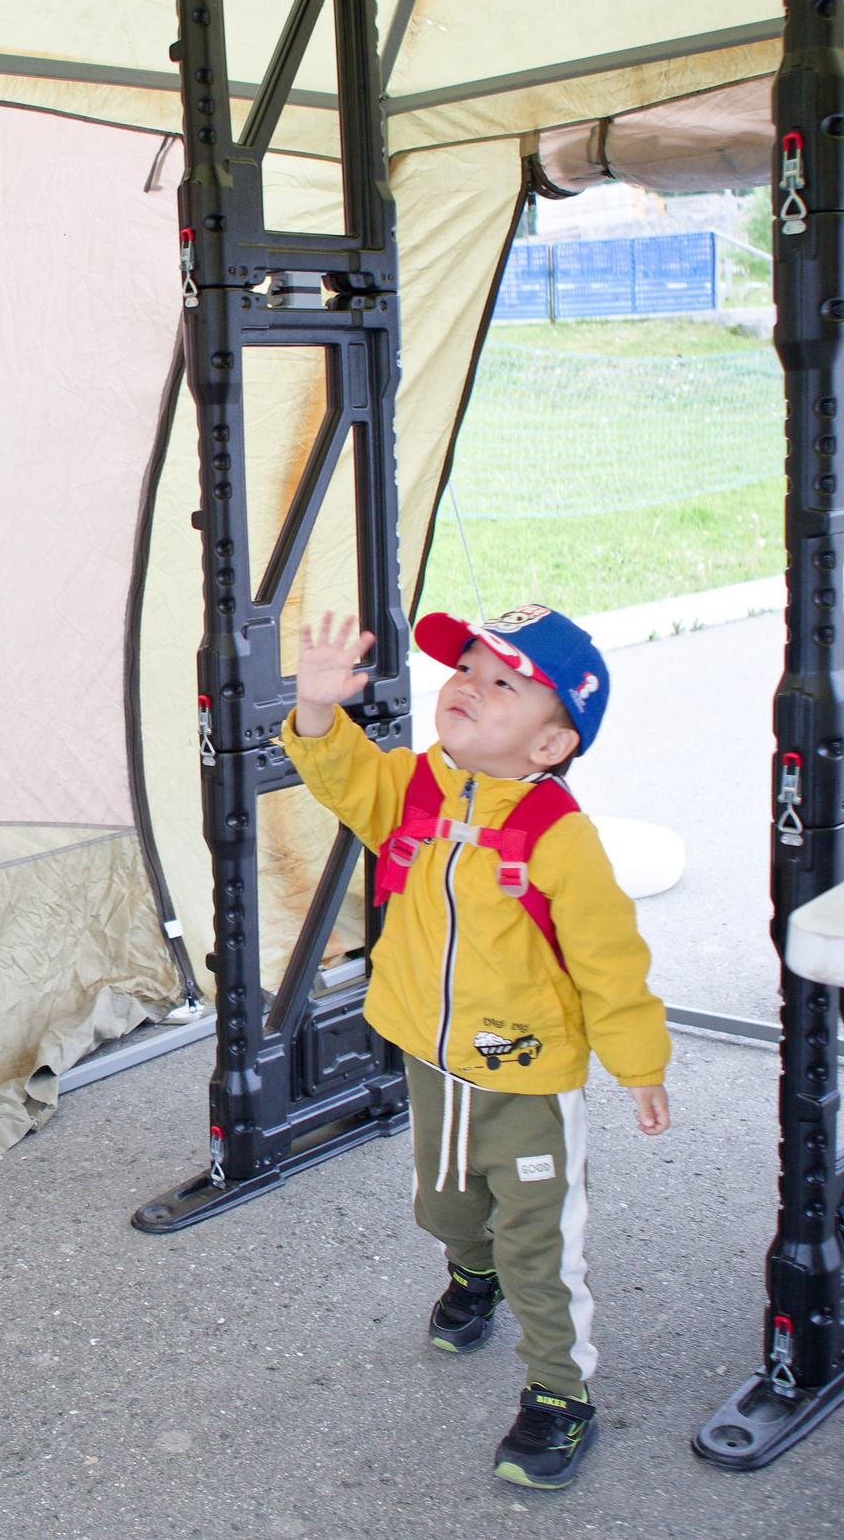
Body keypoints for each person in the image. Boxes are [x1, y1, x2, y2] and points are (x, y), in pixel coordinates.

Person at [280, 605, 671, 1491]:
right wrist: (313, 710)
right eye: (465, 669)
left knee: (541, 1245)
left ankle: (560, 1395)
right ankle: (471, 1266)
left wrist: (638, 1063)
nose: (466, 685)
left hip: (526, 1079)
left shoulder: (560, 840)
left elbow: (613, 963)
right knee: (448, 1207)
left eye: (502, 683)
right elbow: (342, 778)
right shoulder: (416, 791)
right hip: (431, 1058)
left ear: (548, 746)